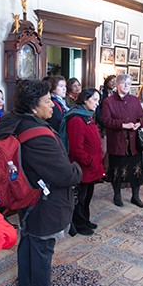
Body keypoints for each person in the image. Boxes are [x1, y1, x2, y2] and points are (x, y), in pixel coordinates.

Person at [0, 80, 82, 286]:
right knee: (42, 249)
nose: (52, 105)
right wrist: (77, 170)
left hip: (24, 196)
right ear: (33, 107)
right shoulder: (38, 135)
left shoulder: (11, 123)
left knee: (28, 242)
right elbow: (63, 174)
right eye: (47, 101)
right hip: (43, 201)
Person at [61, 87, 103, 235]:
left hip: (90, 167)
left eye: (98, 100)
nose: (98, 103)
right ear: (85, 99)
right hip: (83, 167)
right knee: (81, 198)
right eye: (95, 100)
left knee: (88, 196)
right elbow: (76, 149)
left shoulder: (86, 115)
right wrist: (90, 161)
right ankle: (79, 224)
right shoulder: (77, 118)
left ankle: (85, 220)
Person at [102, 73, 143, 207]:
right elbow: (106, 121)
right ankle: (117, 196)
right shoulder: (108, 101)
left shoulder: (135, 100)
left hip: (134, 143)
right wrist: (123, 125)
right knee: (117, 169)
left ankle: (136, 197)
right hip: (117, 142)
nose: (126, 86)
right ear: (117, 84)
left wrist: (139, 123)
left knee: (136, 169)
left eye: (129, 83)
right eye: (123, 83)